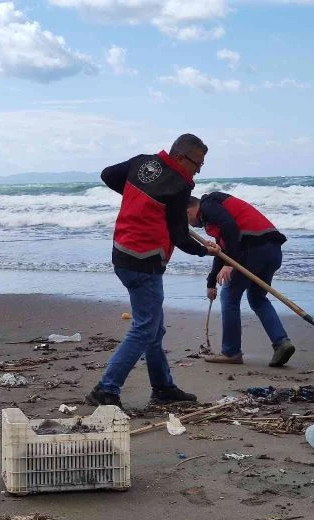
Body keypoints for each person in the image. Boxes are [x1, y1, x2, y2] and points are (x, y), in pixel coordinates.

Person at [85, 134, 220, 408]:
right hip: (145, 261)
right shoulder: (179, 184)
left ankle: (163, 388)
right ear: (182, 158)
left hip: (122, 254)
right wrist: (205, 251)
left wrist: (138, 198)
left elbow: (108, 174)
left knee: (153, 330)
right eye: (198, 163)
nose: (199, 170)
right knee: (145, 329)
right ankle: (106, 389)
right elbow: (180, 236)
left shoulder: (142, 163)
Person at [187, 192, 295, 367]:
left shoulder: (208, 205)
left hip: (252, 249)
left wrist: (231, 263)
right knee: (258, 298)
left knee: (229, 298)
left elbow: (230, 229)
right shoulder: (217, 209)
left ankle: (231, 352)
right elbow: (222, 249)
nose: (193, 225)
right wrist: (211, 282)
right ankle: (282, 342)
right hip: (272, 250)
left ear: (189, 212)